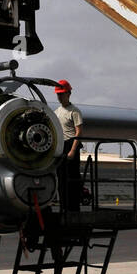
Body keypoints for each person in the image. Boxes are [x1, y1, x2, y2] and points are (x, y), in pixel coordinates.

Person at [54, 80, 84, 212]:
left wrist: (72, 150)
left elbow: (79, 132)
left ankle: (73, 208)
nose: (59, 97)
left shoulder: (74, 111)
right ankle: (64, 207)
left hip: (71, 144)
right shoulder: (56, 112)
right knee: (61, 179)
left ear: (68, 94)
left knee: (72, 178)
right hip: (61, 146)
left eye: (62, 94)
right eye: (58, 94)